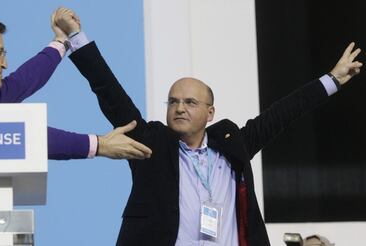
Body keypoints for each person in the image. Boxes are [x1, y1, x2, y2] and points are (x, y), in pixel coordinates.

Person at [55, 8, 362, 246]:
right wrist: (76, 37)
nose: (179, 107)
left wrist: (332, 80)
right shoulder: (152, 146)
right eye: (173, 101)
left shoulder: (231, 145)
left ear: (210, 113)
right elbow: (111, 93)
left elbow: (282, 113)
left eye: (190, 102)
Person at [0, 13, 152, 161]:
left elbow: (24, 80)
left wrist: (62, 40)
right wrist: (100, 145)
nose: (5, 63)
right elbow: (23, 136)